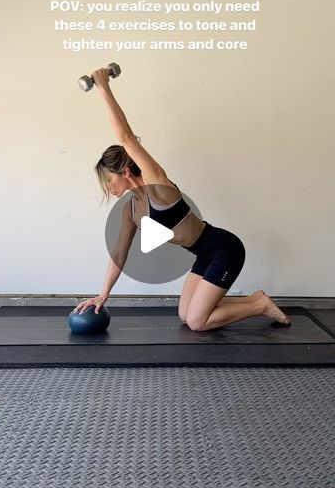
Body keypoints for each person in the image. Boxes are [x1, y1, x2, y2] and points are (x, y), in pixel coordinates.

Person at [74, 68, 291, 330]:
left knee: (198, 322)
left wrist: (103, 87)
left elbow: (126, 138)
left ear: (126, 172)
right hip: (203, 255)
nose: (109, 189)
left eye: (109, 181)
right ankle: (256, 299)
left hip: (224, 249)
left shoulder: (159, 187)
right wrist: (103, 294)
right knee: (185, 315)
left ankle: (260, 306)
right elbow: (119, 254)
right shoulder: (130, 210)